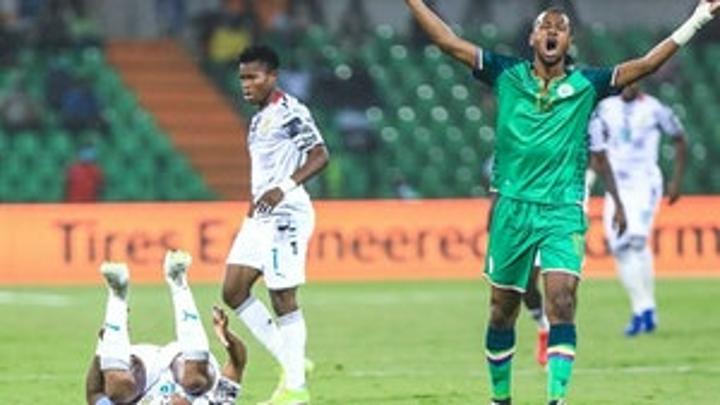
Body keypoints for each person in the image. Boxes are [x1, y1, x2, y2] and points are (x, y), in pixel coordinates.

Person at [405, 0, 718, 403]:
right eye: (545, 25)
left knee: (562, 300)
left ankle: (556, 399)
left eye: (561, 27)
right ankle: (501, 399)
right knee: (502, 310)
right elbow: (447, 41)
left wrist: (698, 18)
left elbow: (646, 64)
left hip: (562, 209)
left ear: (569, 41)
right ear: (532, 37)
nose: (552, 30)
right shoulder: (505, 73)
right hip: (513, 207)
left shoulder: (588, 83)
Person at [221, 45, 329, 405]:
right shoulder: (258, 120)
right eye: (242, 78)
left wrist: (283, 188)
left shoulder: (290, 112)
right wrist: (254, 207)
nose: (246, 84)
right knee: (233, 290)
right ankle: (292, 361)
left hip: (287, 215)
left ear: (272, 77)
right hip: (261, 216)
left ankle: (295, 388)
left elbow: (320, 155)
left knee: (282, 296)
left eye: (253, 77)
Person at [589, 82, 688, 337]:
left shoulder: (655, 108)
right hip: (616, 186)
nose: (630, 86)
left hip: (645, 183)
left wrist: (676, 181)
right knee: (619, 248)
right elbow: (597, 146)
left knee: (636, 240)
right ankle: (642, 308)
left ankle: (646, 308)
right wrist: (590, 175)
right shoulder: (605, 108)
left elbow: (679, 138)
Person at [85, 250, 245, 404]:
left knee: (118, 392)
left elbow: (94, 394)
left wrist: (104, 346)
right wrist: (227, 337)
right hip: (186, 366)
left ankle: (117, 295)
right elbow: (237, 363)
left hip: (146, 374)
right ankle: (179, 283)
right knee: (195, 381)